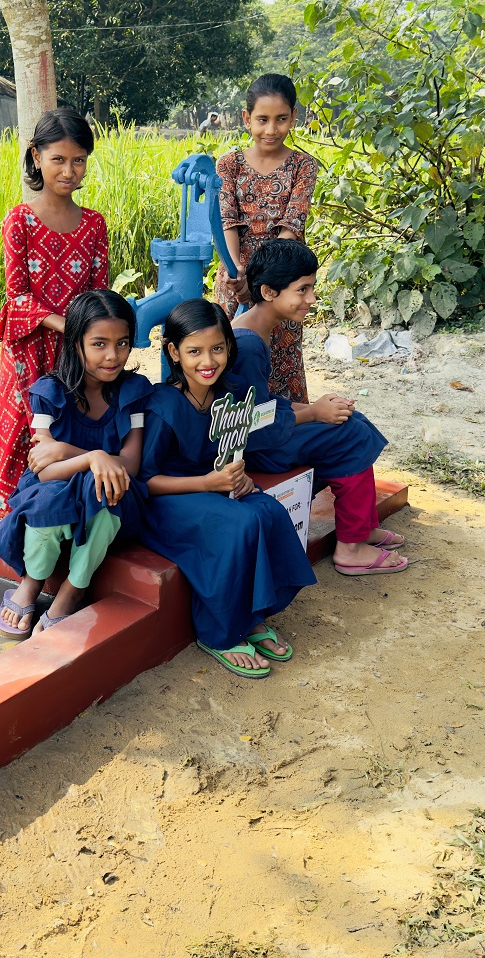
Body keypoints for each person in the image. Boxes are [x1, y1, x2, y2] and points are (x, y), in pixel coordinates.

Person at [138, 299, 317, 679]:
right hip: (167, 501)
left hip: (212, 489)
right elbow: (145, 481)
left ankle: (252, 616)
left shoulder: (228, 396)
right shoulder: (162, 405)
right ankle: (218, 633)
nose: (208, 361)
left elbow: (226, 453)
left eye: (217, 349)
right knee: (239, 523)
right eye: (195, 351)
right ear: (174, 352)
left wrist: (237, 477)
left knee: (267, 511)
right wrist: (208, 483)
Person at [227, 240, 408, 576]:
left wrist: (320, 408)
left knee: (351, 420)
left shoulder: (255, 327)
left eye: (312, 288)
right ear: (268, 292)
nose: (311, 299)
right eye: (302, 289)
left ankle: (363, 527)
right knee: (350, 435)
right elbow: (251, 420)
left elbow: (259, 401)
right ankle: (351, 547)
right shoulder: (248, 343)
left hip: (263, 433)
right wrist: (312, 413)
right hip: (255, 447)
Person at [0, 110, 110, 520]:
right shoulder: (20, 220)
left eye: (79, 160)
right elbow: (16, 296)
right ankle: (7, 518)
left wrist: (91, 337)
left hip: (77, 351)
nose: (69, 171)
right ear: (36, 156)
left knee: (71, 424)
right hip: (30, 348)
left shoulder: (94, 224)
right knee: (23, 426)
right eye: (58, 159)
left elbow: (99, 292)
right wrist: (67, 326)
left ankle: (61, 513)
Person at [0, 290, 152, 637]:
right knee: (48, 497)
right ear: (75, 342)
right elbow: (44, 470)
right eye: (99, 344)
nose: (113, 355)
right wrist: (92, 456)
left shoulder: (133, 392)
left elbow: (130, 465)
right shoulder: (49, 393)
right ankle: (31, 582)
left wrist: (68, 451)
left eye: (122, 343)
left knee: (105, 487)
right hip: (54, 489)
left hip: (113, 498)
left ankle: (72, 591)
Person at [214, 72, 318, 402]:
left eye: (281, 119)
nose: (271, 129)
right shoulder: (229, 164)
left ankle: (289, 422)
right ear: (247, 119)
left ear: (293, 117)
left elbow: (291, 226)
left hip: (283, 279)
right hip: (235, 276)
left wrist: (262, 281)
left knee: (281, 352)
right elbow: (227, 221)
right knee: (227, 352)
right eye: (262, 119)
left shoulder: (303, 166)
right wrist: (237, 272)